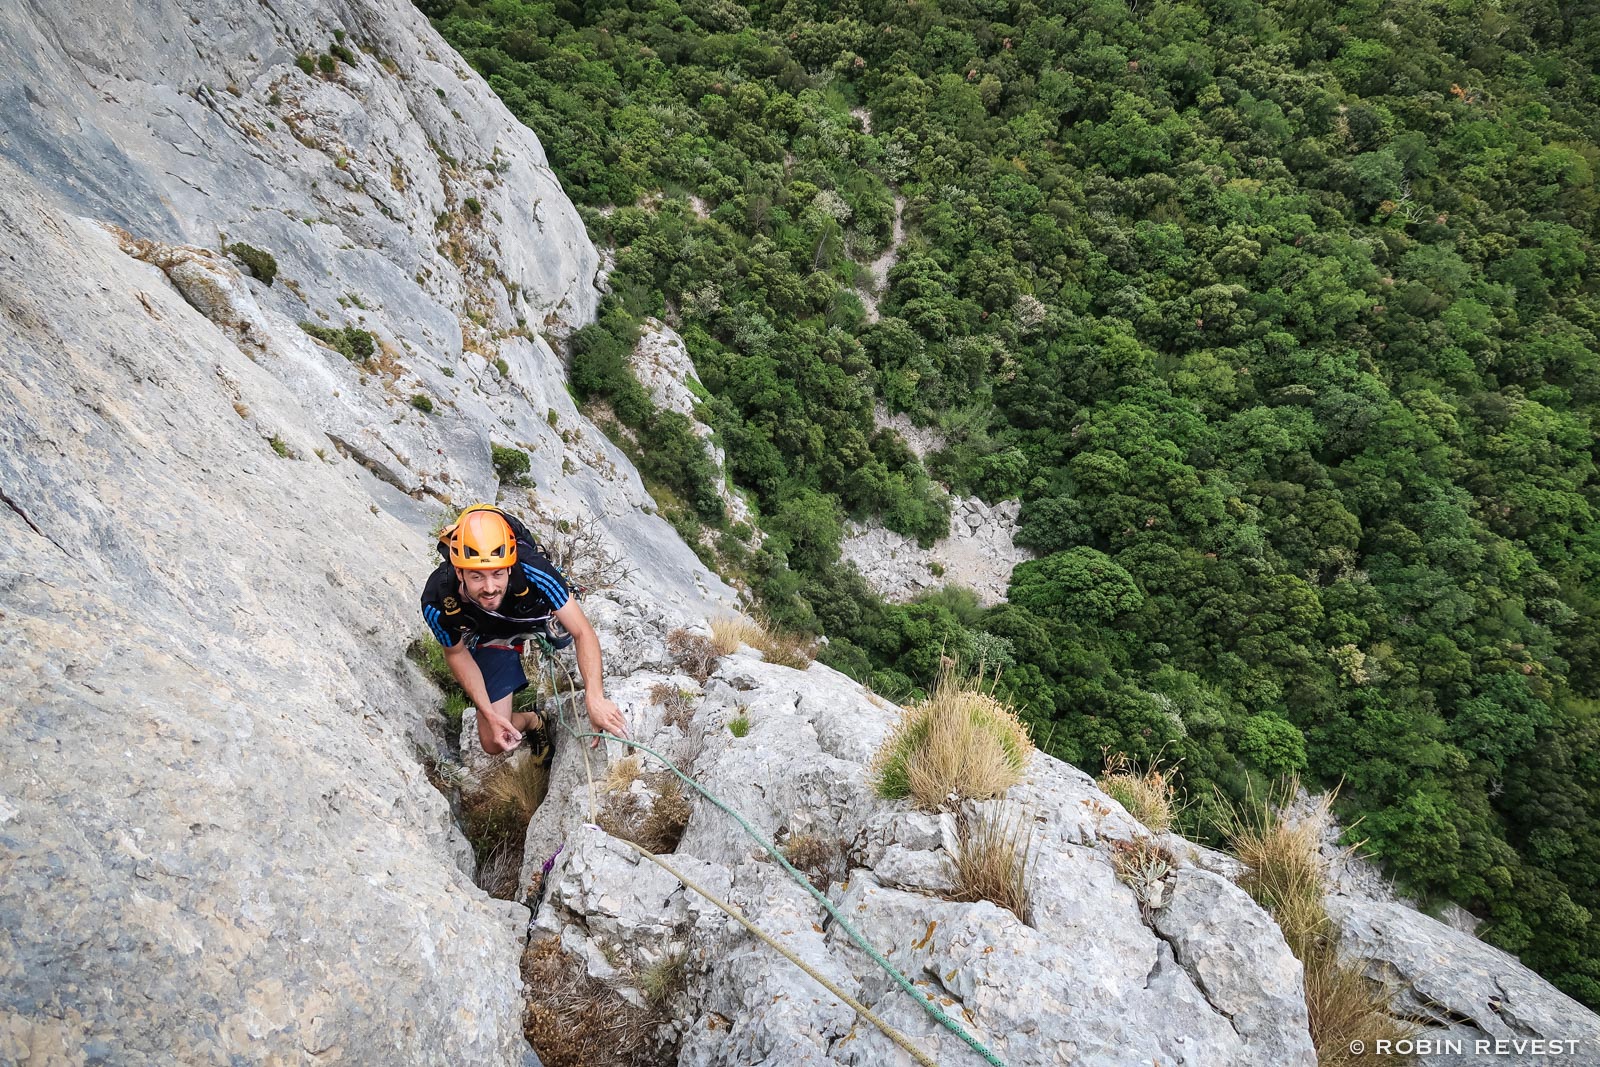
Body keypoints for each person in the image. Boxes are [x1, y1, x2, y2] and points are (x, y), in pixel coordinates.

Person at [419, 505, 628, 756]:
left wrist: (594, 697)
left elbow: (582, 631)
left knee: (565, 633)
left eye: (497, 574)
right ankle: (533, 721)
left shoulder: (532, 569)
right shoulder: (438, 601)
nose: (489, 587)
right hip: (491, 633)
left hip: (536, 614)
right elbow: (456, 654)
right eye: (477, 577)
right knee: (492, 744)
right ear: (459, 571)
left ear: (509, 566)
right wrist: (488, 714)